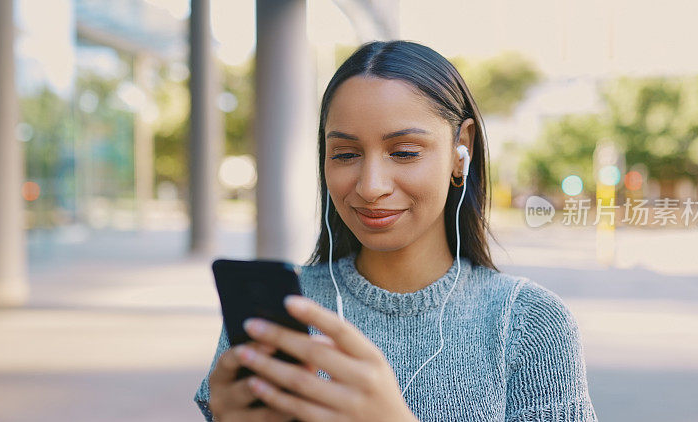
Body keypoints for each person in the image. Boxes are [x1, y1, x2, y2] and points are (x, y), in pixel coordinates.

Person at [194, 40, 598, 422]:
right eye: (346, 154)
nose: (371, 186)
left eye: (404, 152)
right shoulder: (278, 314)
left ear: (463, 150)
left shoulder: (527, 323)